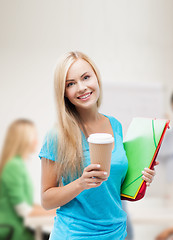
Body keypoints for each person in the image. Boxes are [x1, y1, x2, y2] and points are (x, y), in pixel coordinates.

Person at [39, 51, 157, 240]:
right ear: (64, 93)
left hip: (116, 232)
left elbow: (112, 186)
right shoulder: (57, 135)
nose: (82, 87)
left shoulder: (115, 125)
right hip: (74, 234)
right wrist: (80, 184)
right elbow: (46, 199)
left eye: (86, 77)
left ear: (96, 77)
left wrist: (142, 177)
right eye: (71, 83)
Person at [0, 119, 55, 240]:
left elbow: (27, 205)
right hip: (12, 231)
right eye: (34, 136)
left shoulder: (17, 164)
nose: (36, 141)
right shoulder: (14, 166)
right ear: (24, 140)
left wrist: (53, 209)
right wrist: (57, 212)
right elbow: (24, 210)